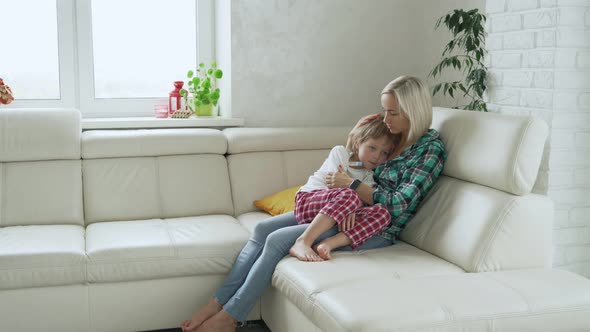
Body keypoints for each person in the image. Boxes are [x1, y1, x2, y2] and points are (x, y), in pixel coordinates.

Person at [181, 75, 447, 332]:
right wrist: (355, 144)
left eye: (393, 112)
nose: (385, 118)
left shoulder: (429, 149)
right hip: (346, 208)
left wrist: (352, 188)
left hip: (375, 225)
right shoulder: (392, 132)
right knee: (262, 230)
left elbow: (399, 203)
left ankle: (230, 317)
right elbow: (356, 157)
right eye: (384, 110)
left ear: (413, 111)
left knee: (276, 240)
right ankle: (215, 304)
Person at [292, 115, 397, 261]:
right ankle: (303, 241)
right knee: (351, 194)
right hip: (308, 202)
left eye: (384, 153)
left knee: (383, 213)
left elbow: (366, 200)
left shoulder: (369, 175)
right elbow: (333, 183)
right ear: (358, 142)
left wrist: (352, 204)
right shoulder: (340, 153)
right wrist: (352, 201)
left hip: (334, 215)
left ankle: (329, 243)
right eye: (372, 148)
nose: (376, 157)